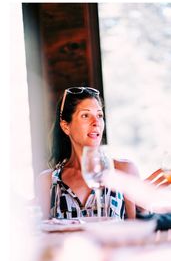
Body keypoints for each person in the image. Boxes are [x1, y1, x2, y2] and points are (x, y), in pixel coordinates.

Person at [37, 87, 139, 220]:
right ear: (65, 126)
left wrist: (145, 208)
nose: (96, 123)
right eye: (85, 115)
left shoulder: (124, 170)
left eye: (99, 115)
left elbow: (138, 233)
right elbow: (45, 236)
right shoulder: (48, 181)